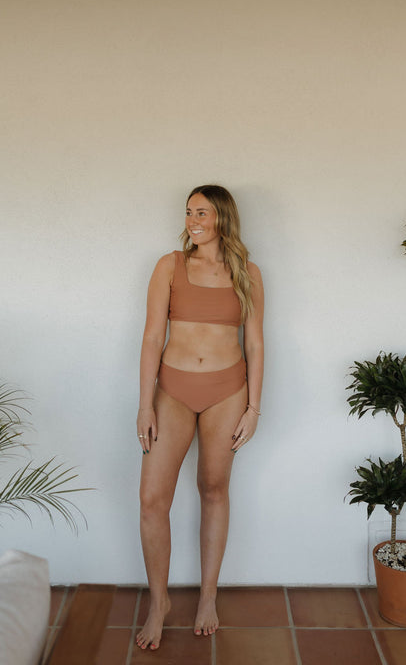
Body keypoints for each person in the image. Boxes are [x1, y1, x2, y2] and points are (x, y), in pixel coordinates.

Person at [136, 184, 264, 651]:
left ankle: (208, 597)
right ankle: (159, 601)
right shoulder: (169, 266)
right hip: (172, 390)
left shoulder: (247, 272)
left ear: (222, 218)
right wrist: (145, 402)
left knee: (213, 489)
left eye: (202, 212)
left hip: (227, 391)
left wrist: (253, 407)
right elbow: (152, 337)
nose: (193, 219)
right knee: (152, 499)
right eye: (189, 211)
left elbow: (254, 343)